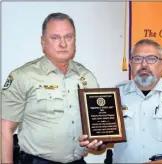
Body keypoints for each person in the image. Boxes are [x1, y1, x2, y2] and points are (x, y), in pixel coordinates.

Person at [1, 12, 103, 164]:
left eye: (68, 37)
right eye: (55, 38)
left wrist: (99, 142)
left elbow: (99, 128)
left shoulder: (87, 77)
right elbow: (5, 129)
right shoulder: (23, 76)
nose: (63, 44)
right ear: (43, 43)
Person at [79, 39, 162, 163]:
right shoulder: (116, 94)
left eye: (151, 59)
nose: (144, 65)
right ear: (130, 63)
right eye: (137, 59)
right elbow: (104, 139)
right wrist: (97, 143)